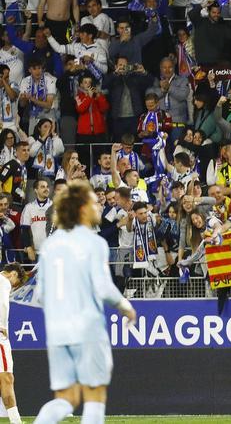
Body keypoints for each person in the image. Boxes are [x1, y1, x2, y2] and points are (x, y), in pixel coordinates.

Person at [32, 180, 137, 424]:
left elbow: (41, 295)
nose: (98, 207)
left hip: (58, 332)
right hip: (87, 329)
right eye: (93, 203)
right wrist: (126, 306)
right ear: (82, 209)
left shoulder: (50, 246)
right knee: (94, 396)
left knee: (65, 399)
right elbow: (102, 286)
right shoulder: (94, 243)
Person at [0, 263, 24, 424]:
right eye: (17, 283)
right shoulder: (3, 281)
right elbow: (2, 304)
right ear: (13, 274)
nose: (14, 287)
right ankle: (16, 421)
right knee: (7, 378)